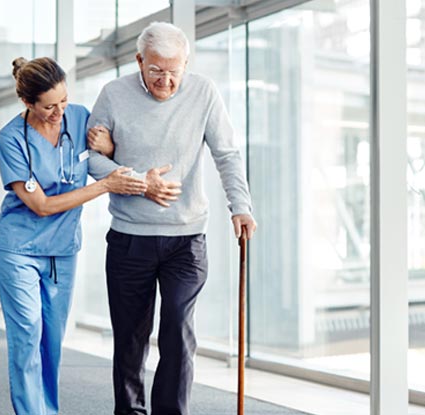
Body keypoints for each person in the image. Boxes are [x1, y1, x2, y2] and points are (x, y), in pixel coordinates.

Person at [85, 22, 257, 415]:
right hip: (130, 239)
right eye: (156, 70)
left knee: (178, 332)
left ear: (186, 63)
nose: (165, 80)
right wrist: (138, 183)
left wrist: (241, 206)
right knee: (130, 338)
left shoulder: (204, 92)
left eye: (173, 71)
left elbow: (226, 154)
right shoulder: (113, 94)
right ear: (139, 61)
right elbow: (91, 159)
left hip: (186, 240)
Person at [0, 56, 147, 415]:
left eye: (63, 100)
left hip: (61, 250)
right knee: (28, 334)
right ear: (28, 103)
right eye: (48, 106)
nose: (59, 111)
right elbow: (42, 206)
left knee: (52, 343)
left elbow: (99, 152)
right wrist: (106, 186)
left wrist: (107, 148)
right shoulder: (11, 139)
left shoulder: (77, 116)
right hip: (19, 249)